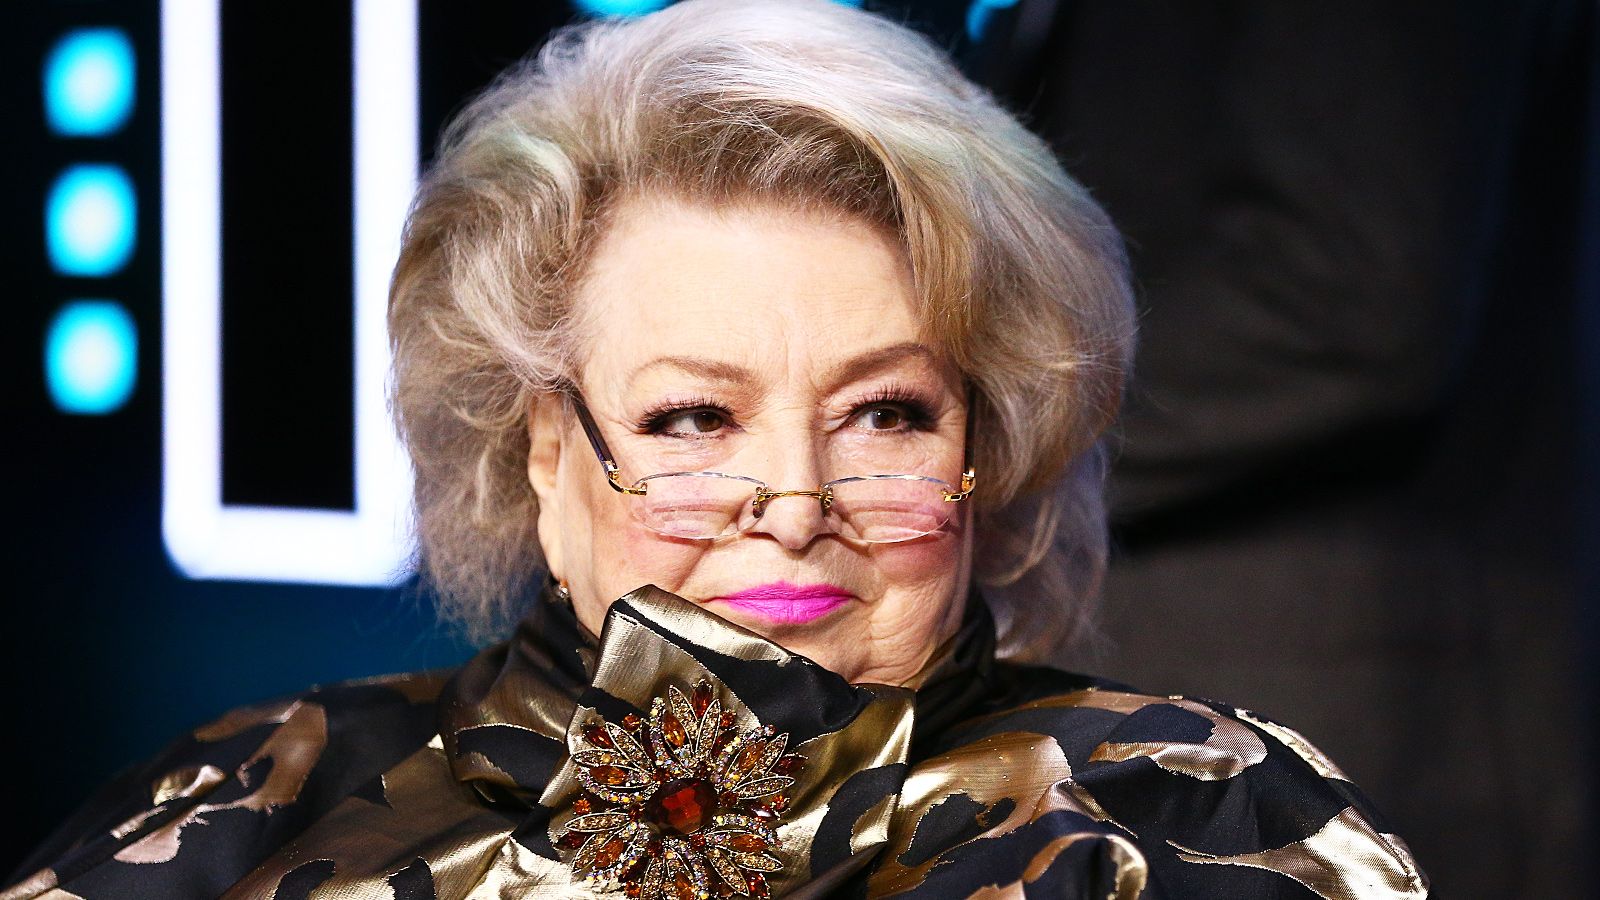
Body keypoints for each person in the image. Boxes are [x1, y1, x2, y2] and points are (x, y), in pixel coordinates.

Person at [1, 1, 1426, 897]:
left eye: (886, 414)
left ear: (985, 449)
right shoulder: (253, 809)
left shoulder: (1202, 825)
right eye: (694, 419)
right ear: (542, 453)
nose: (795, 506)